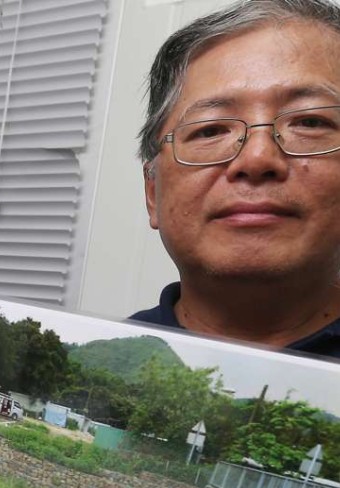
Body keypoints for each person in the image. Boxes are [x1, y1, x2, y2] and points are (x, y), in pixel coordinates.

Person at [130, 0, 340, 359]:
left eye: (309, 122)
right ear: (153, 192)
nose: (257, 158)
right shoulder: (88, 362)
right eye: (210, 129)